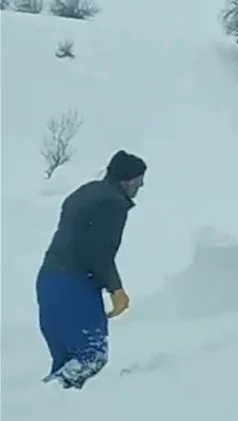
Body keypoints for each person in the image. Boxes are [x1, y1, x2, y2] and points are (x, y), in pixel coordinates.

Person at [36, 149, 146, 390]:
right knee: (91, 356)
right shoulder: (113, 203)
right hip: (74, 284)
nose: (142, 185)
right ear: (128, 180)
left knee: (67, 362)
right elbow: (99, 253)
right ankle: (39, 399)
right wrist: (116, 289)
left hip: (49, 280)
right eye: (139, 179)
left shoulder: (85, 192)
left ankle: (48, 403)